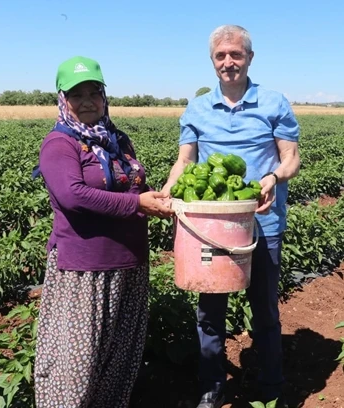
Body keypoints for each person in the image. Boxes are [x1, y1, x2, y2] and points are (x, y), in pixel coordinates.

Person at [162, 25, 300, 408]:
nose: (229, 62)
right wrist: (168, 192)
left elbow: (292, 158)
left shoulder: (273, 102)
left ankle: (271, 386)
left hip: (263, 224)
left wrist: (272, 177)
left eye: (236, 55)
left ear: (249, 58)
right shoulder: (198, 108)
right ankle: (212, 384)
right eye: (221, 56)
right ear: (212, 61)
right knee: (209, 311)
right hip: (211, 230)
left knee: (265, 310)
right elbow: (184, 161)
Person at [32, 56, 174, 408]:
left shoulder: (118, 140)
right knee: (74, 367)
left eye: (93, 92)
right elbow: (72, 195)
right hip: (85, 269)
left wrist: (162, 201)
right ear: (63, 99)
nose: (86, 101)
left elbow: (132, 186)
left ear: (104, 95)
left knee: (118, 362)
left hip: (130, 264)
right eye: (76, 94)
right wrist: (138, 205)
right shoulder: (59, 144)